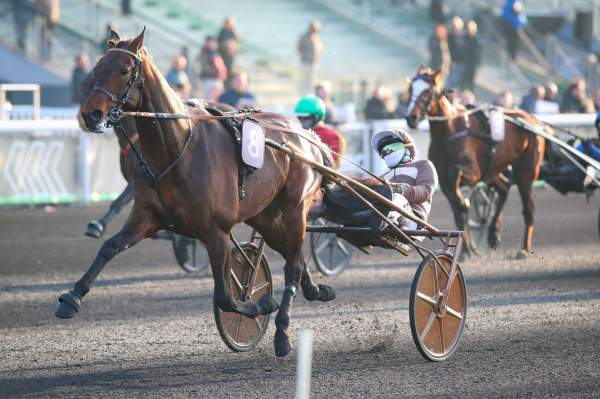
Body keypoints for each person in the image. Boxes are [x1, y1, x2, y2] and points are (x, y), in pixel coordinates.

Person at [370, 129, 438, 231]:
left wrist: (399, 189)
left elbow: (426, 191)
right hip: (385, 213)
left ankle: (384, 219)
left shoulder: (422, 165)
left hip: (414, 218)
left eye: (392, 147)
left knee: (396, 198)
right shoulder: (382, 176)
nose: (387, 152)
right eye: (383, 151)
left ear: (408, 148)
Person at [294, 95, 345, 168]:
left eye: (306, 118)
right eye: (299, 117)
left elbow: (332, 167)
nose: (302, 120)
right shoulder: (298, 134)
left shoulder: (333, 136)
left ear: (317, 117)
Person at [297, 20, 323, 95]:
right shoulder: (304, 37)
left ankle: (311, 95)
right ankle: (302, 95)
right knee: (305, 80)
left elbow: (320, 49)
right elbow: (299, 48)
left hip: (314, 62)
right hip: (306, 62)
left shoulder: (317, 37)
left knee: (313, 81)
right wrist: (305, 55)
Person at [199, 36, 227, 100]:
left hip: (217, 79)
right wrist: (216, 72)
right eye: (210, 42)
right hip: (209, 78)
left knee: (219, 98)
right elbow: (204, 66)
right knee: (209, 99)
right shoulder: (204, 53)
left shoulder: (215, 52)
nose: (212, 44)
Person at [218, 16, 240, 89]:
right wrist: (227, 46)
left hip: (232, 60)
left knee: (232, 77)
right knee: (225, 79)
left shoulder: (234, 32)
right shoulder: (222, 33)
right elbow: (219, 45)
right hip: (224, 60)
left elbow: (238, 43)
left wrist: (233, 46)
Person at [447, 16, 466, 89]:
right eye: (453, 26)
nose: (455, 28)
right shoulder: (449, 36)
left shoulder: (463, 38)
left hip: (460, 63)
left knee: (455, 84)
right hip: (450, 62)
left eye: (456, 27)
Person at [461, 20, 481, 91]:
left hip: (472, 65)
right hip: (463, 63)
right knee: (461, 82)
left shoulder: (477, 40)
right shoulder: (463, 38)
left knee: (470, 83)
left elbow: (478, 53)